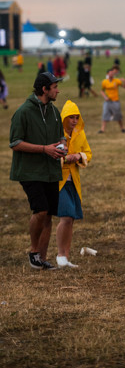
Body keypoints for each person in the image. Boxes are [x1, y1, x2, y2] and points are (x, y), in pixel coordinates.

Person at [9, 72, 67, 270]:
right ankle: (33, 252)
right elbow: (15, 143)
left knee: (49, 213)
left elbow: (61, 136)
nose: (58, 90)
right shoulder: (23, 112)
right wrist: (44, 149)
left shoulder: (54, 111)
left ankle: (41, 259)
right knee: (40, 210)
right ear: (44, 89)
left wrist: (62, 146)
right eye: (54, 87)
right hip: (30, 171)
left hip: (50, 170)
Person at [56, 100, 92, 268]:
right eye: (71, 117)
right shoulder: (56, 133)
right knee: (66, 216)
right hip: (59, 181)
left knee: (71, 219)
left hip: (73, 181)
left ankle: (66, 257)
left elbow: (88, 153)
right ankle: (60, 255)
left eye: (77, 117)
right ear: (64, 118)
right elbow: (51, 155)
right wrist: (64, 159)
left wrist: (78, 156)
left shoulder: (80, 133)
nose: (75, 121)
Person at [99, 66, 125, 133]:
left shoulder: (116, 81)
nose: (111, 74)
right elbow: (102, 91)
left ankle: (122, 128)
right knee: (105, 114)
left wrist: (124, 81)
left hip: (115, 101)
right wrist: (105, 97)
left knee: (118, 115)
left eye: (112, 73)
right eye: (110, 73)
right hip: (108, 101)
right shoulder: (104, 82)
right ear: (108, 74)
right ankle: (102, 129)